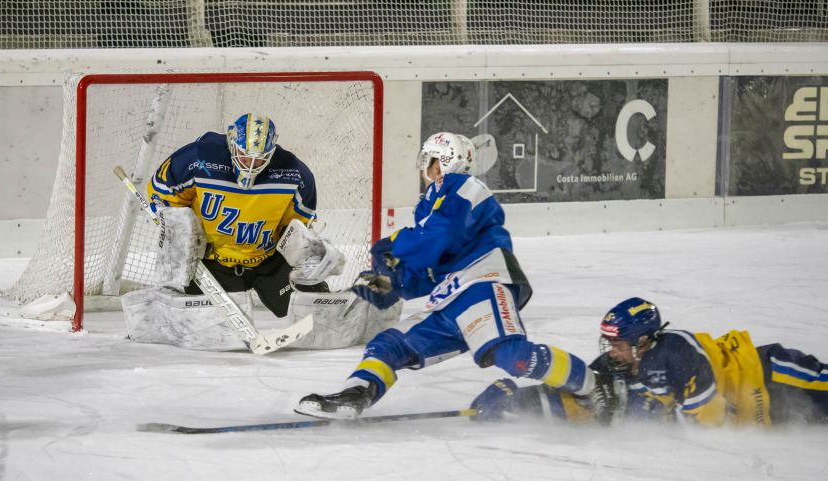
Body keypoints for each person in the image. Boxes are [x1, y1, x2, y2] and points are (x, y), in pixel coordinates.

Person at [295, 132, 614, 419]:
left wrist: (392, 245)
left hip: (482, 282)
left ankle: (593, 385)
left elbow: (440, 237)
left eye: (429, 162)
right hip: (449, 296)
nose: (425, 170)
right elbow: (427, 271)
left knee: (511, 356)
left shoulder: (465, 187)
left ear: (442, 164)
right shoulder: (431, 206)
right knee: (390, 344)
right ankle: (355, 395)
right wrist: (384, 284)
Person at [121, 112, 400, 351]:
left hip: (267, 261)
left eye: (259, 159)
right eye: (244, 156)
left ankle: (368, 302)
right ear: (232, 142)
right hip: (213, 263)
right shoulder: (195, 159)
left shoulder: (294, 174)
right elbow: (162, 193)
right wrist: (175, 228)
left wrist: (311, 251)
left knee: (317, 314)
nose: (250, 165)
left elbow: (297, 229)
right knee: (203, 327)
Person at [471, 297, 828, 426]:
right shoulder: (615, 365)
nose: (612, 352)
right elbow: (576, 399)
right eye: (609, 343)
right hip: (769, 416)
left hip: (769, 374)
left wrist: (645, 411)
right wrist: (514, 401)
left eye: (620, 344)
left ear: (644, 341)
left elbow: (711, 421)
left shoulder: (676, 352)